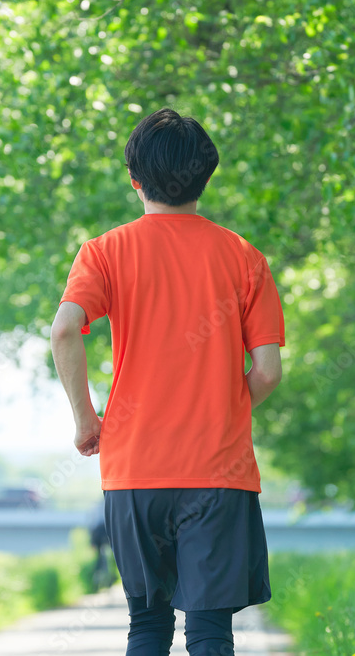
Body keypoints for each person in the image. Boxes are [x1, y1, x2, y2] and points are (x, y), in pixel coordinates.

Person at [50, 107, 285, 656]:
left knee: (148, 628)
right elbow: (269, 370)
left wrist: (87, 420)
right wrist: (222, 411)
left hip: (134, 472)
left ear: (135, 179)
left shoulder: (105, 252)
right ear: (206, 175)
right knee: (209, 633)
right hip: (218, 473)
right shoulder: (245, 259)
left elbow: (65, 331)